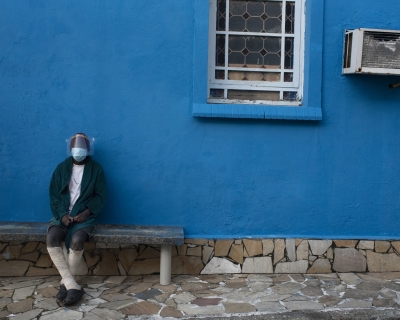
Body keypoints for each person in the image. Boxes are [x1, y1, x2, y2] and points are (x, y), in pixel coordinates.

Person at [47, 133, 107, 305]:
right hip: (63, 215)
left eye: (81, 147)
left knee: (77, 239)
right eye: (75, 146)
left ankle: (66, 286)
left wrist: (86, 213)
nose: (78, 150)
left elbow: (100, 196)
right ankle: (72, 285)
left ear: (88, 149)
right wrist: (62, 215)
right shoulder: (61, 168)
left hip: (83, 217)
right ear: (70, 148)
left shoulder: (96, 169)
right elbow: (54, 196)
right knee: (52, 237)